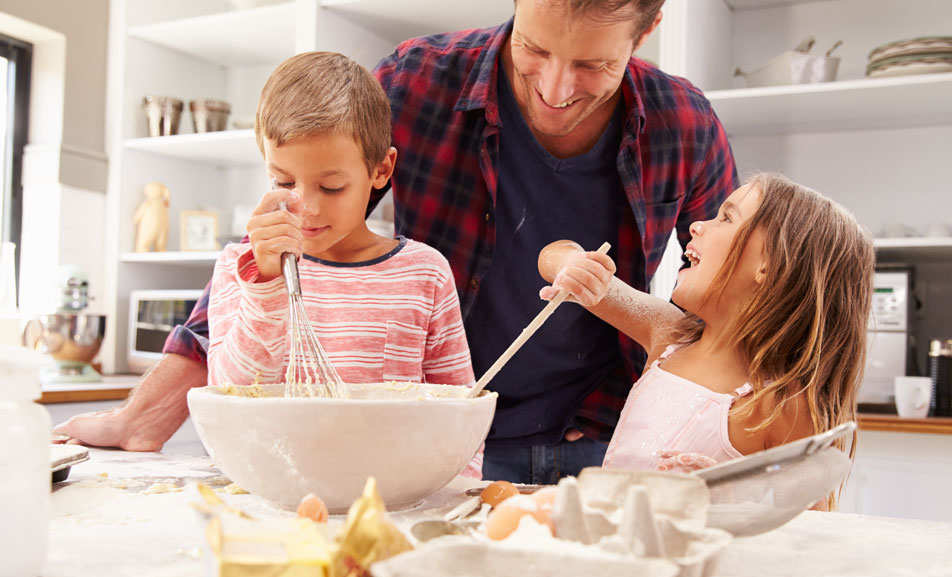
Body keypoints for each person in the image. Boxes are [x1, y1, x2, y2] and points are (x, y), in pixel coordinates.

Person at [57, 0, 738, 483]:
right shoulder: (416, 84)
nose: (555, 89)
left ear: (647, 29)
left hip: (592, 439)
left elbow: (731, 310)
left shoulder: (684, 125)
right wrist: (147, 415)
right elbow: (287, 239)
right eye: (534, 48)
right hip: (427, 451)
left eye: (592, 64)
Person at [537, 173, 874, 484]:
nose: (697, 224)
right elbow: (552, 257)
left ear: (770, 265)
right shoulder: (669, 334)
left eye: (726, 217)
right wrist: (572, 265)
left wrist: (732, 496)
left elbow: (811, 530)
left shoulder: (780, 405)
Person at [207, 52, 475, 395]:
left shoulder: (425, 274)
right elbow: (227, 400)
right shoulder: (241, 269)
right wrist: (266, 288)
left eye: (331, 187)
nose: (306, 208)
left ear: (380, 170)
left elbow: (459, 414)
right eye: (284, 182)